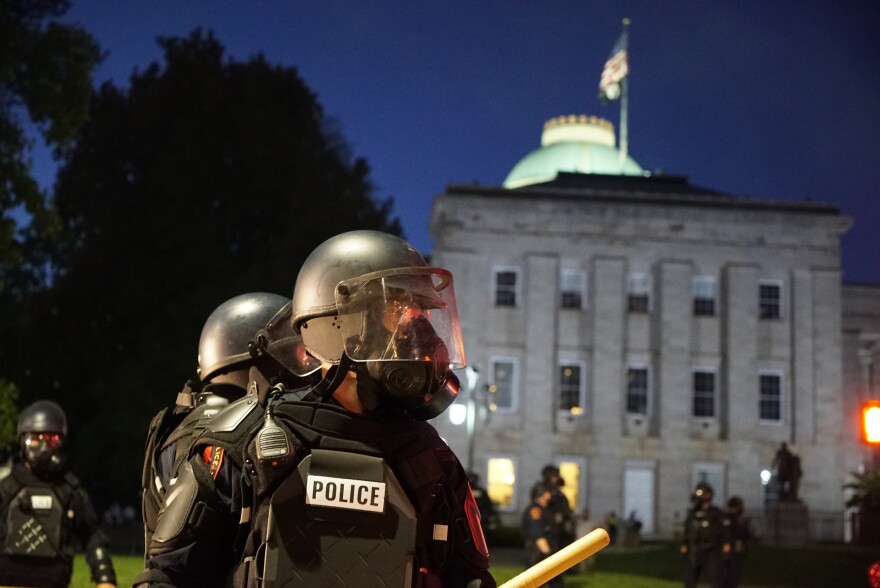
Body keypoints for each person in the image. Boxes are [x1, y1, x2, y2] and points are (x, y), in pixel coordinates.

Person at [139, 230, 495, 587]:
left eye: (420, 315)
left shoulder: (433, 462)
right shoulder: (239, 444)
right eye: (399, 311)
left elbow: (470, 580)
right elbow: (167, 576)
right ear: (339, 322)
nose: (418, 334)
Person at [134, 292, 320, 581]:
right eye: (292, 353)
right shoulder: (232, 433)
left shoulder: (178, 426)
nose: (303, 364)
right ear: (258, 360)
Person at [0, 400, 117, 588]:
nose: (43, 447)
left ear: (60, 442)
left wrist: (105, 577)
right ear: (22, 441)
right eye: (34, 439)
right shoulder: (4, 484)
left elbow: (91, 535)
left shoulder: (69, 489)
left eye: (51, 439)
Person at [680, 482, 723, 588]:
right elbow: (687, 528)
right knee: (690, 576)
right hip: (695, 549)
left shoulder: (715, 512)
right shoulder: (693, 513)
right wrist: (684, 543)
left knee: (714, 576)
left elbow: (721, 530)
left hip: (710, 549)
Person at [522, 484, 564, 587]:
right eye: (548, 492)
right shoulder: (535, 510)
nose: (550, 494)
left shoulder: (546, 509)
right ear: (541, 494)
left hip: (547, 552)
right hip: (538, 555)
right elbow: (537, 534)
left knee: (556, 582)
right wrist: (548, 554)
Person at [720, 496, 750, 588]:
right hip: (728, 554)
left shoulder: (742, 520)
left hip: (737, 553)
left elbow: (745, 536)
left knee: (735, 578)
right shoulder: (727, 519)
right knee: (726, 578)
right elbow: (726, 534)